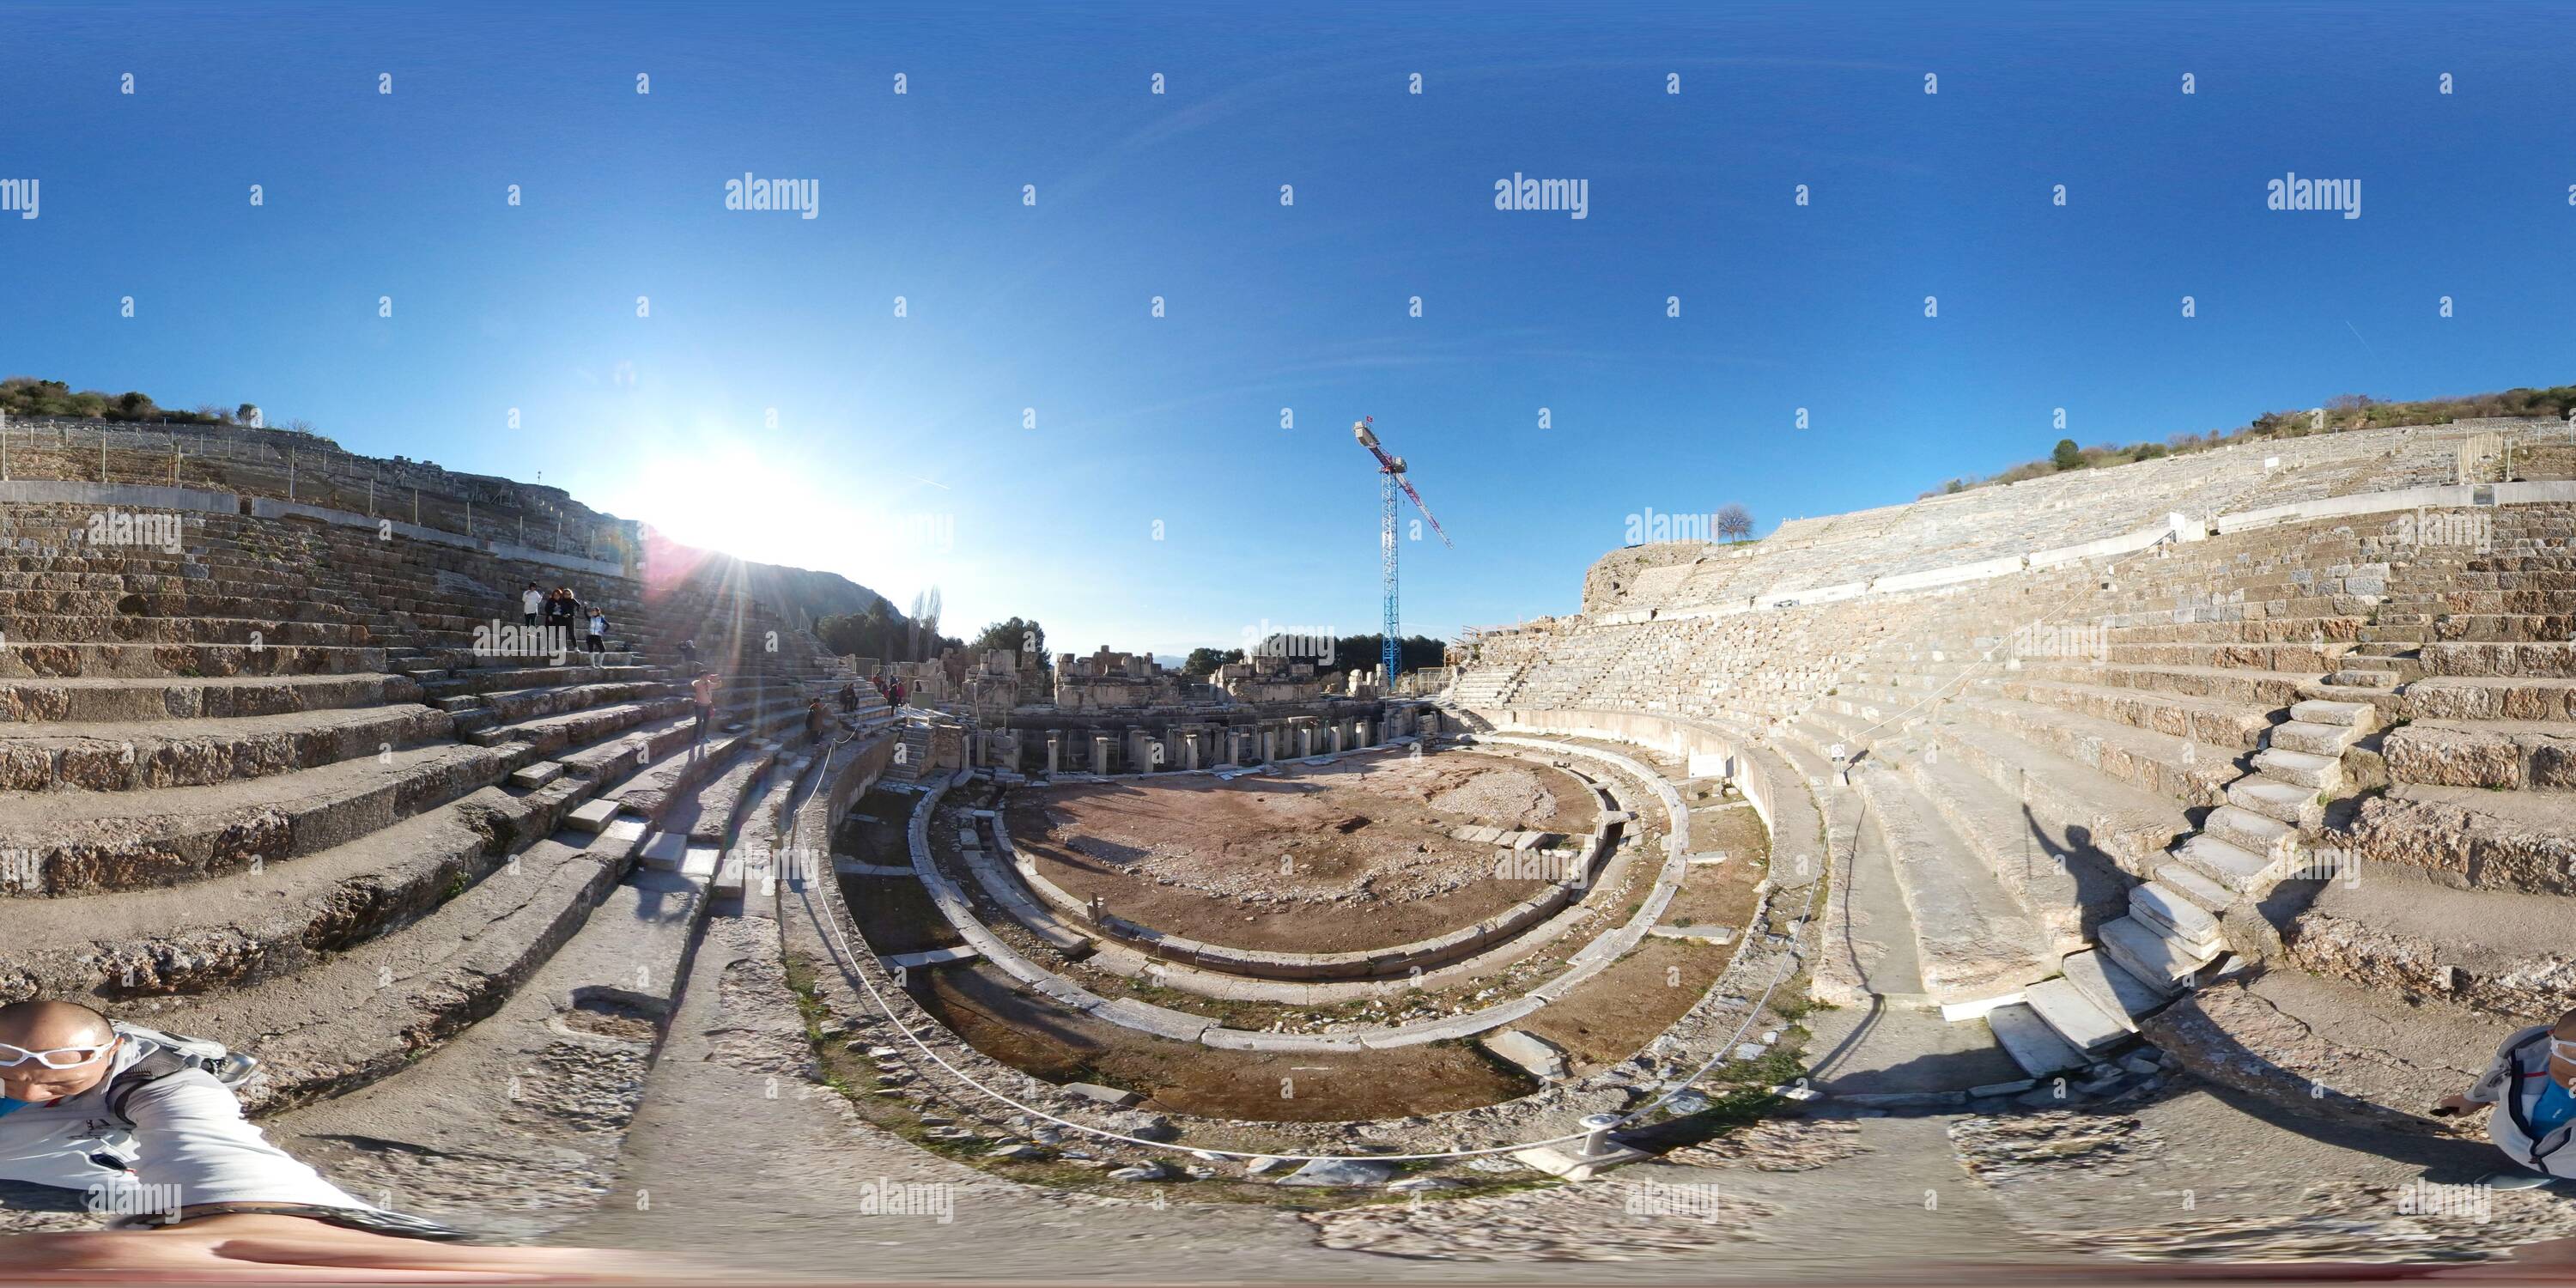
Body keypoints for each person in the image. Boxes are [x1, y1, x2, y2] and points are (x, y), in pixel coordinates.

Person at [0, 999, 447, 1238]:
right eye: (7, 1076)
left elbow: (209, 1140)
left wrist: (277, 1219)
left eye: (58, 1086)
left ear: (114, 1051)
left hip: (74, 1178)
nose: (29, 1093)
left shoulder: (161, 1083)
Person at [2435, 1005, 2576, 1188]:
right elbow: (2498, 1075)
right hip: (2516, 1142)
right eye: (2571, 1052)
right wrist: (2472, 1099)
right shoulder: (2524, 1046)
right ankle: (2538, 1165)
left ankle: (2548, 1168)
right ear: (2551, 1037)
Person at [690, 671, 720, 744]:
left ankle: (703, 736)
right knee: (699, 722)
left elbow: (718, 686)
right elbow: (693, 683)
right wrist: (705, 680)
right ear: (703, 676)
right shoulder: (698, 683)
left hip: (708, 706)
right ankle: (695, 738)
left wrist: (718, 679)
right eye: (707, 675)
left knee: (706, 722)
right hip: (699, 706)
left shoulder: (709, 683)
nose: (708, 676)